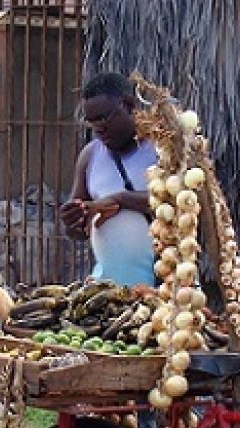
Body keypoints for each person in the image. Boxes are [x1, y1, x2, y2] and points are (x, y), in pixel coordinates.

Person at [58, 71, 158, 288]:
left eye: (103, 118)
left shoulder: (162, 148)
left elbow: (180, 205)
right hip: (109, 294)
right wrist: (73, 220)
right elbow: (78, 231)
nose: (98, 129)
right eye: (91, 122)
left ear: (129, 105)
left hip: (168, 290)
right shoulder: (90, 155)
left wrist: (120, 199)